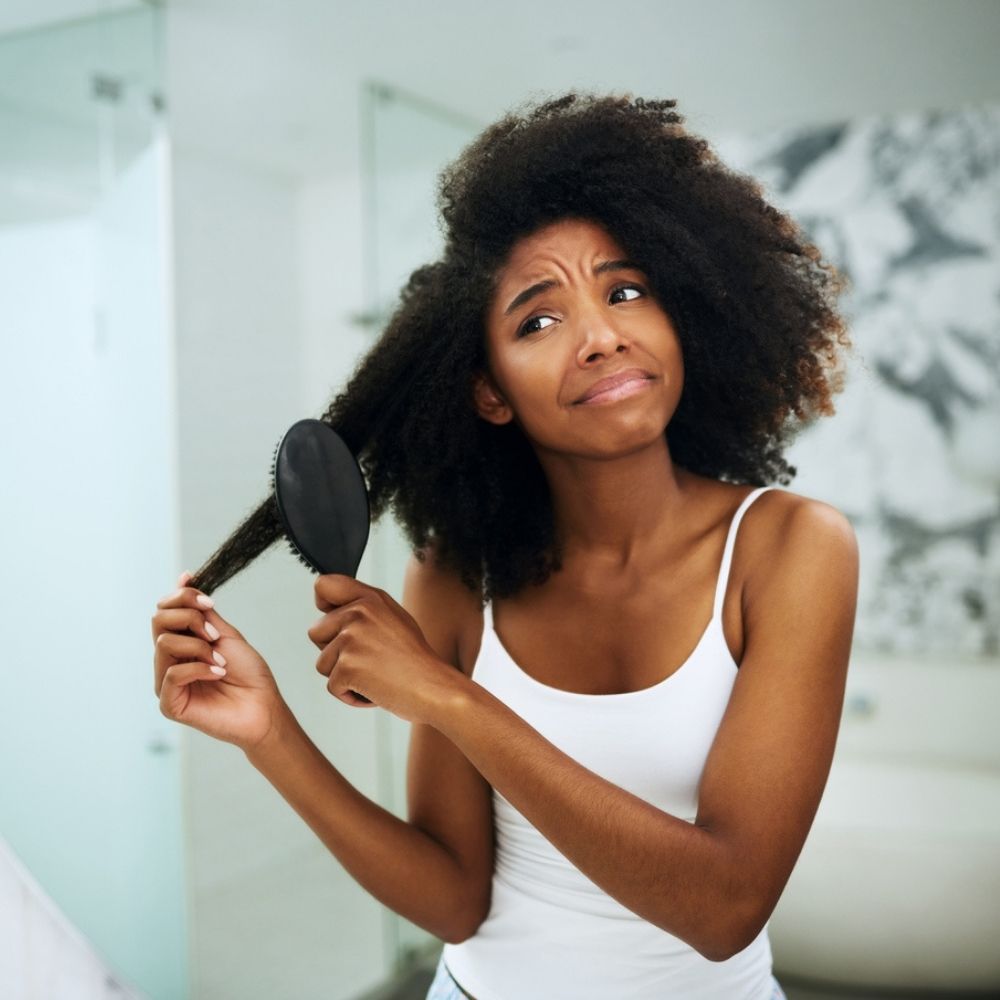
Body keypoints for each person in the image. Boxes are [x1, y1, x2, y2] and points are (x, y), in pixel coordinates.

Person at [151, 92, 859, 999]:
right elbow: (454, 903)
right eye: (539, 319)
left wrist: (447, 697)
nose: (601, 336)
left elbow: (724, 909)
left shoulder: (791, 548)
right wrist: (269, 733)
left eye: (626, 291)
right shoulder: (458, 576)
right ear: (489, 393)